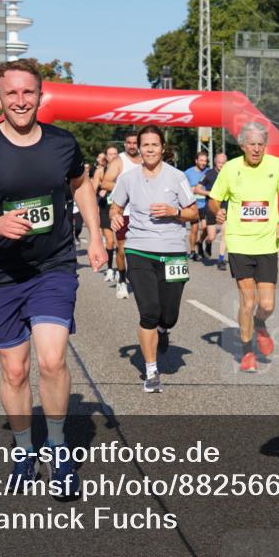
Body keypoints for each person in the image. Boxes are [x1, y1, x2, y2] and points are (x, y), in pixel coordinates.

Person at [0, 59, 107, 494]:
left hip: (52, 267)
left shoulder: (62, 143)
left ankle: (57, 450)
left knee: (52, 360)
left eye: (28, 92)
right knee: (15, 370)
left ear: (40, 96)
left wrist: (95, 236)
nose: (20, 100)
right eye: (11, 94)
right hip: (0, 274)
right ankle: (23, 449)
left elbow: (80, 185)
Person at [110, 126, 198, 393]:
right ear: (138, 147)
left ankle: (163, 329)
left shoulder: (177, 176)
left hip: (172, 251)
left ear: (162, 148)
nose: (149, 149)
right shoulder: (128, 179)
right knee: (148, 312)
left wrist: (174, 211)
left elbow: (193, 213)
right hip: (139, 250)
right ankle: (151, 371)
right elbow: (115, 206)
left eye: (154, 145)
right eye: (144, 144)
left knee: (168, 315)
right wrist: (115, 215)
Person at [207, 122, 279, 373]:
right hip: (239, 241)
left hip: (267, 242)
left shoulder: (276, 165)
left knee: (267, 305)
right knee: (247, 300)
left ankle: (259, 323)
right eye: (251, 144)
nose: (256, 149)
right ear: (242, 145)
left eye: (260, 144)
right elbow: (213, 200)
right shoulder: (231, 168)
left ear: (265, 145)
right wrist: (218, 212)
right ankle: (247, 352)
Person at [101, 132, 141, 299]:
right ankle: (122, 281)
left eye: (134, 143)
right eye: (128, 143)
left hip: (143, 213)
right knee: (122, 250)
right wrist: (126, 186)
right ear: (124, 144)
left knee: (141, 250)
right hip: (124, 211)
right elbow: (106, 182)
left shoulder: (147, 159)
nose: (132, 145)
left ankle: (140, 280)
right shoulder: (119, 161)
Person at [194, 152, 228, 270]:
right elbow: (196, 189)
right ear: (215, 162)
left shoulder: (229, 174)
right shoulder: (209, 174)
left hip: (225, 207)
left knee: (225, 234)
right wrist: (209, 193)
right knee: (212, 237)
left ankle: (221, 259)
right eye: (219, 162)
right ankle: (205, 242)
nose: (221, 165)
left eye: (224, 163)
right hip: (211, 206)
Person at [92, 146, 118, 282]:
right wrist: (100, 195)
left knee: (121, 242)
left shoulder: (124, 171)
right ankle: (109, 268)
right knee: (110, 240)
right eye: (110, 154)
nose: (113, 156)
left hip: (120, 208)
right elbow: (92, 191)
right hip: (105, 208)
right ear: (106, 157)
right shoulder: (100, 171)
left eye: (115, 154)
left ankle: (120, 268)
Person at [183, 150, 209, 262]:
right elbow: (182, 188)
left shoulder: (209, 172)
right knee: (194, 229)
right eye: (201, 160)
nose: (203, 162)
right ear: (196, 161)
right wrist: (191, 189)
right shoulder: (188, 173)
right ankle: (193, 251)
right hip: (193, 205)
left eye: (205, 161)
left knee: (206, 228)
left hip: (206, 205)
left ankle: (200, 242)